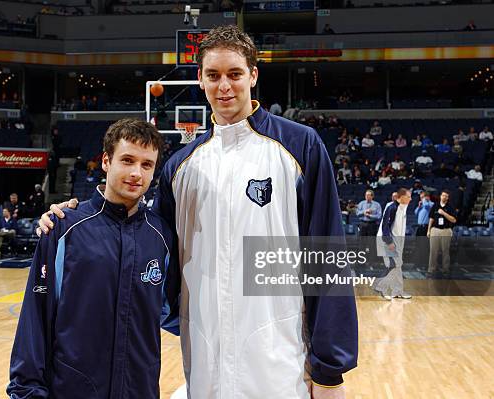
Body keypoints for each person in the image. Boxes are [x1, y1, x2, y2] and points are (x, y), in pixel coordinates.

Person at [39, 25, 358, 399]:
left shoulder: (299, 147)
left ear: (253, 76)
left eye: (235, 74)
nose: (224, 86)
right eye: (214, 75)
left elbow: (326, 256)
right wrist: (72, 217)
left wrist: (329, 371)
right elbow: (146, 240)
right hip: (205, 364)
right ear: (200, 80)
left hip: (280, 360)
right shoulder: (180, 167)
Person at [8, 119, 178, 398]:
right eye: (127, 160)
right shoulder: (63, 228)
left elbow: (175, 313)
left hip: (140, 390)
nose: (137, 173)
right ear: (106, 162)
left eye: (147, 165)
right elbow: (36, 317)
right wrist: (26, 390)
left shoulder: (161, 236)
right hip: (73, 390)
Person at [374, 188, 412, 300]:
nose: (411, 198)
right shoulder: (392, 208)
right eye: (408, 196)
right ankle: (380, 286)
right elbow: (385, 226)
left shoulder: (403, 207)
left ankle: (397, 291)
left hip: (398, 240)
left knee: (398, 265)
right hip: (388, 240)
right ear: (402, 197)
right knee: (392, 265)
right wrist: (389, 242)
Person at [427, 190, 457, 278]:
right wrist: (428, 230)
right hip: (435, 230)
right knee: (433, 251)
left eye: (446, 196)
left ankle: (445, 270)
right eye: (443, 195)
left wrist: (444, 213)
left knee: (445, 251)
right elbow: (431, 218)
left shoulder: (451, 207)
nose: (444, 197)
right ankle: (431, 269)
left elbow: (454, 220)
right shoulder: (435, 206)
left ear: (448, 198)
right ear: (440, 196)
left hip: (446, 230)